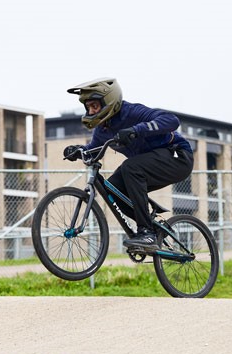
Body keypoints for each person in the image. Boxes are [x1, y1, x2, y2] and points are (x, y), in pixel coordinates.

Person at [64, 77, 194, 249]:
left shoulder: (132, 112)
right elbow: (92, 149)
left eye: (94, 106)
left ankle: (146, 232)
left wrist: (136, 130)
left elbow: (172, 121)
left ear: (108, 101)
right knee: (113, 189)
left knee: (131, 168)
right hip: (147, 163)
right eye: (88, 107)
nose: (91, 111)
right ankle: (151, 228)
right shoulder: (103, 130)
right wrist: (78, 151)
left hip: (177, 157)